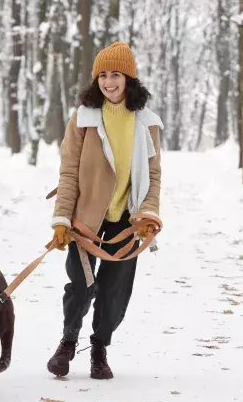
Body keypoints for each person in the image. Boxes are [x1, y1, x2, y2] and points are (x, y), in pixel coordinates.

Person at [46, 41, 162, 380]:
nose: (109, 82)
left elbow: (153, 175)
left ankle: (99, 349)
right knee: (80, 285)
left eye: (116, 75)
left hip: (127, 221)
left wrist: (148, 215)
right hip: (86, 219)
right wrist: (61, 219)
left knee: (114, 293)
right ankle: (68, 343)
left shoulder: (147, 123)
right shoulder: (83, 120)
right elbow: (68, 172)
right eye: (103, 76)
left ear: (129, 79)